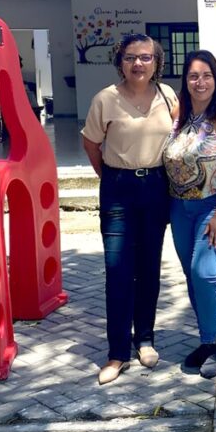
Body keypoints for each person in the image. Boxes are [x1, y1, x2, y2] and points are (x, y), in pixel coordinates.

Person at [82, 34, 178, 385]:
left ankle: (146, 339)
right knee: (118, 270)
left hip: (157, 187)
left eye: (146, 57)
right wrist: (112, 176)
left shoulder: (168, 96)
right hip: (118, 189)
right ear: (120, 61)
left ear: (157, 61)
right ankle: (118, 351)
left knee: (149, 267)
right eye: (130, 57)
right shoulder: (105, 99)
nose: (138, 63)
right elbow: (91, 143)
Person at [163, 50, 216, 379]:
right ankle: (209, 334)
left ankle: (209, 344)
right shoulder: (178, 114)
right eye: (194, 76)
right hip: (180, 208)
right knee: (191, 274)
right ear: (185, 80)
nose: (200, 82)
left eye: (207, 75)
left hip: (215, 205)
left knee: (205, 271)